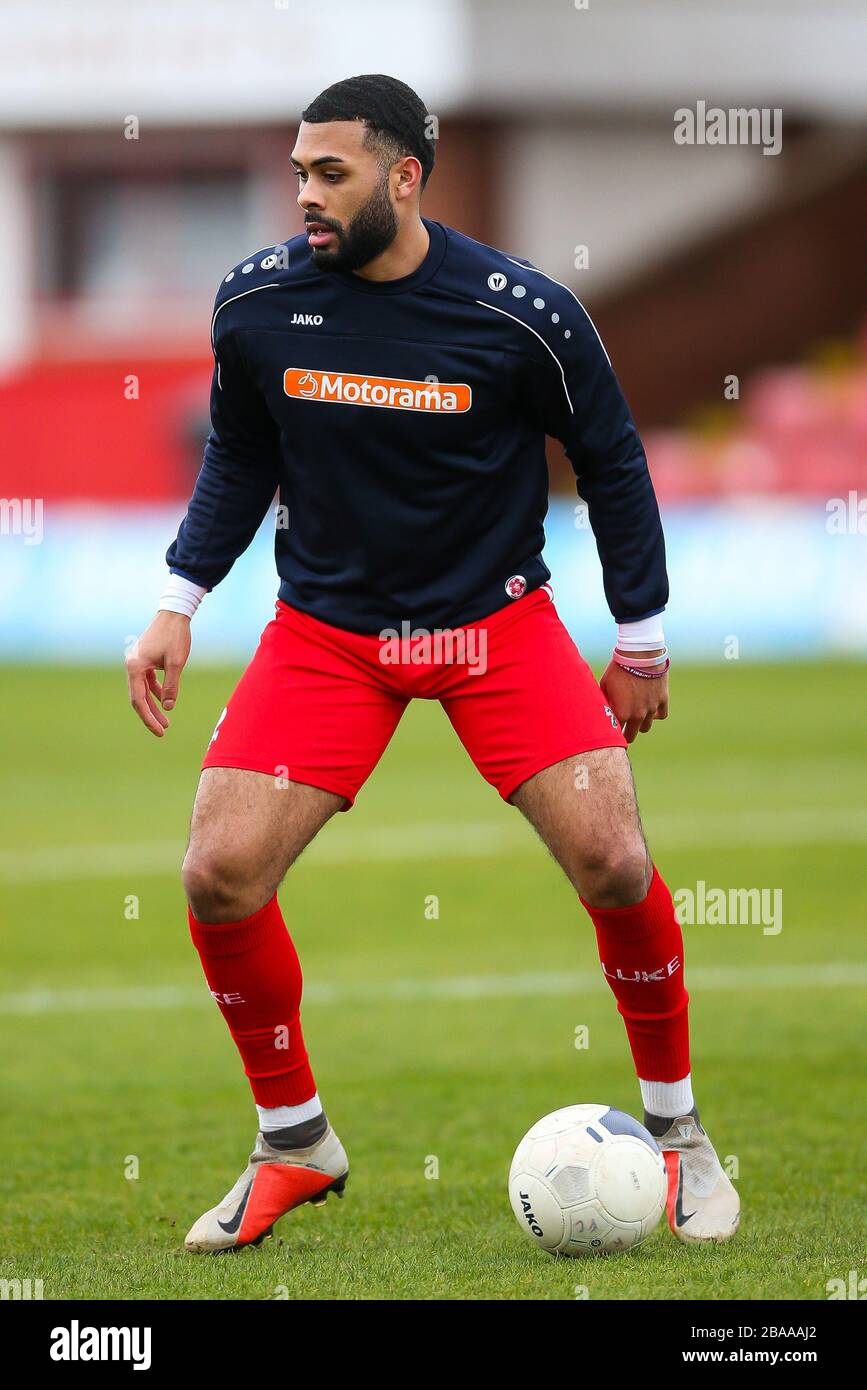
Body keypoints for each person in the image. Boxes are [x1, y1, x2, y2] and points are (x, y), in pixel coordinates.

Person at [126, 73, 739, 1253]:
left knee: (615, 858)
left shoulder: (522, 312)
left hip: (492, 628)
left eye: (331, 172)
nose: (304, 193)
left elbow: (611, 460)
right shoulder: (256, 304)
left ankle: (677, 1136)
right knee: (219, 871)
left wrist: (643, 637)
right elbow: (240, 458)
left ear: (405, 176)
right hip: (328, 635)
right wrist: (178, 599)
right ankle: (293, 1142)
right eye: (299, 170)